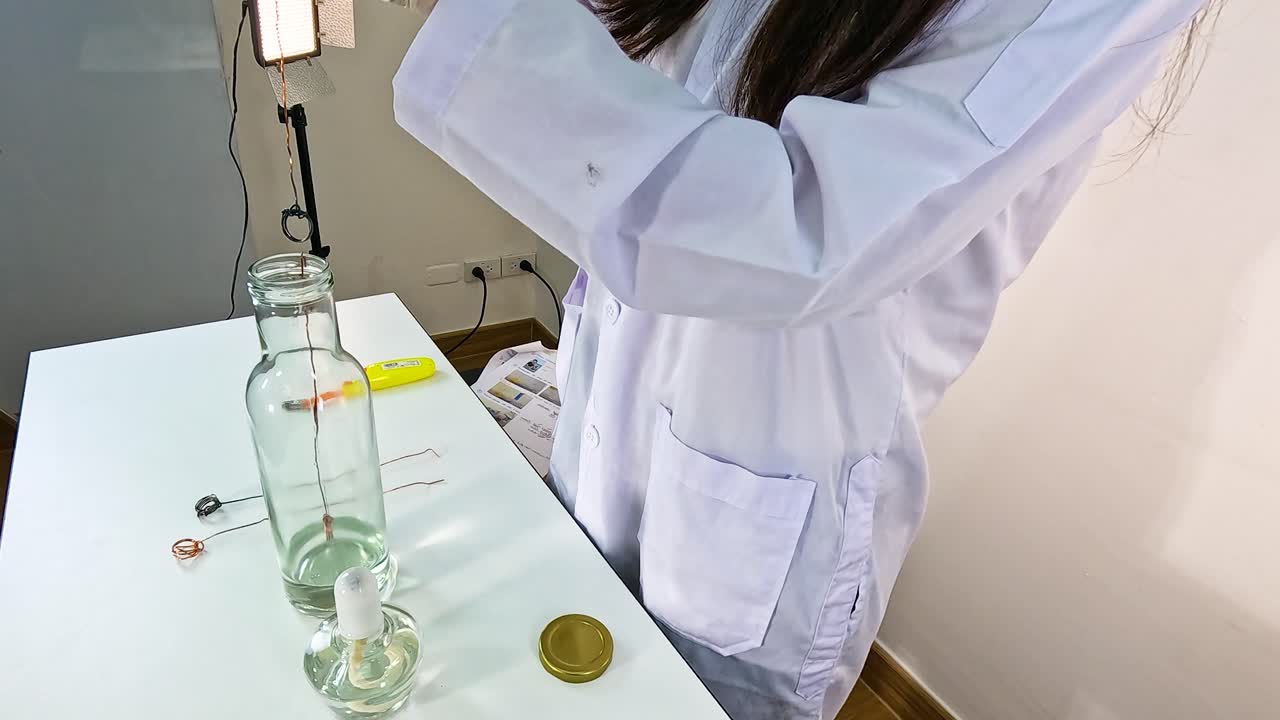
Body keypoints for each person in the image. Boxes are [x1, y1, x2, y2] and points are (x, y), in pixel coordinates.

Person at [391, 1, 1212, 718]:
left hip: (763, 496)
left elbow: (807, 233)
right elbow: (660, 63)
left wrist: (474, 19)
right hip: (619, 399)